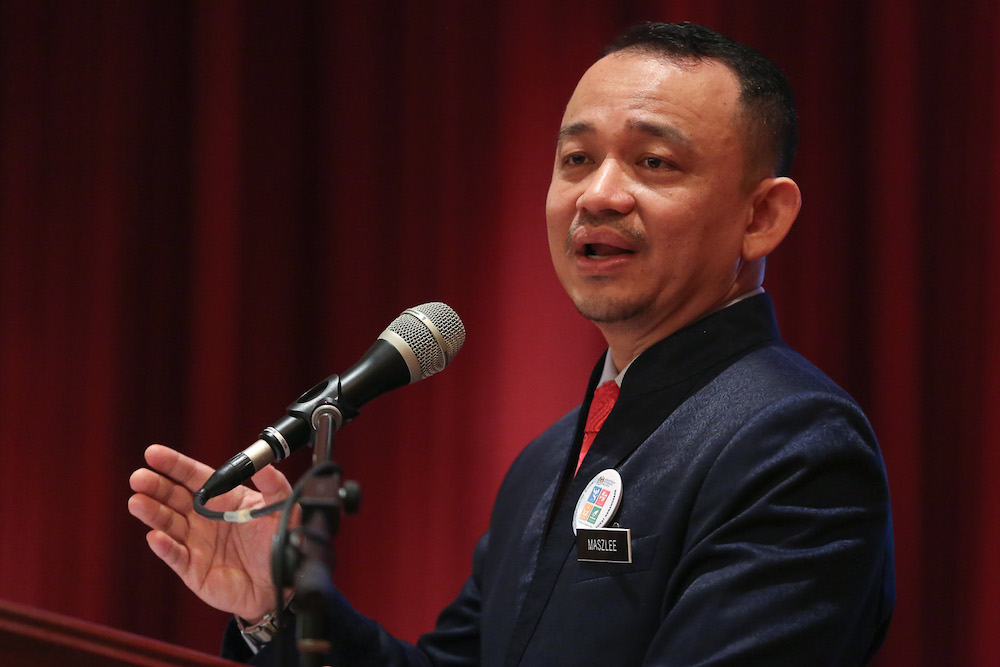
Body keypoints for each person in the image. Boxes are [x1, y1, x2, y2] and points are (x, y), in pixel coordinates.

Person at [128, 21, 895, 665]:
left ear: (761, 216)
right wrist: (285, 602)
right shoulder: (547, 459)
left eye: (654, 162)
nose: (599, 193)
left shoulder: (795, 444)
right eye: (576, 159)